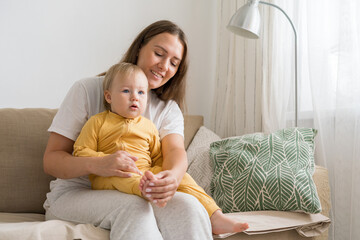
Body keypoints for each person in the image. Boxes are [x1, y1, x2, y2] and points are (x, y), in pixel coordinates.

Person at [42, 20, 226, 240]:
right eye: (159, 53)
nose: (164, 66)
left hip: (139, 188)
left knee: (189, 206)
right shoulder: (87, 89)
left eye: (174, 63)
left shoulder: (168, 109)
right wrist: (100, 164)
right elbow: (51, 161)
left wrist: (172, 179)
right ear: (140, 47)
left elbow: (175, 152)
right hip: (75, 195)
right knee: (135, 207)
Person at [73, 62, 249, 234]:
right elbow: (80, 151)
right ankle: (147, 192)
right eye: (126, 91)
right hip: (109, 176)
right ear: (109, 97)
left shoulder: (148, 126)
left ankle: (214, 214)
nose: (135, 97)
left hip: (146, 172)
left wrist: (164, 177)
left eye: (141, 92)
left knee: (183, 178)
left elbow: (158, 157)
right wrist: (104, 160)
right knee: (124, 176)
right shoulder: (97, 122)